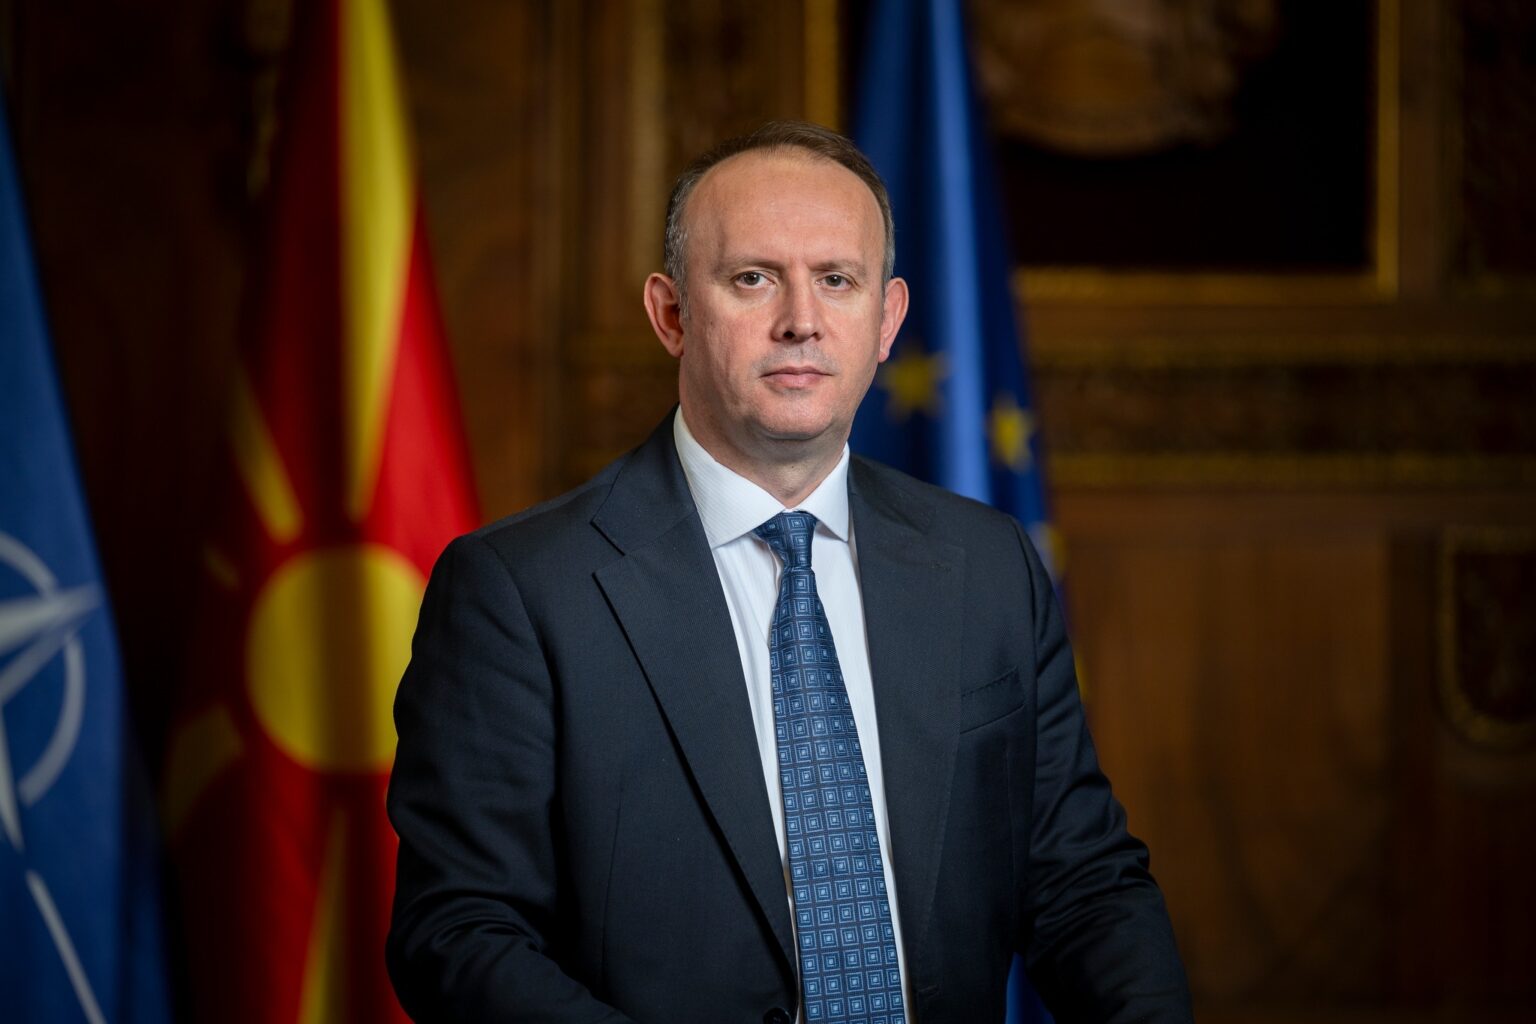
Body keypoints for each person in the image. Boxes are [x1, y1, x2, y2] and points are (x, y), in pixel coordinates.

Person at [386, 120, 1191, 1024]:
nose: (801, 320)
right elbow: (459, 933)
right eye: (753, 278)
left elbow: (1083, 884)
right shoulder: (518, 592)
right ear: (671, 315)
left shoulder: (988, 564)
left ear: (887, 320)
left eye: (837, 280)